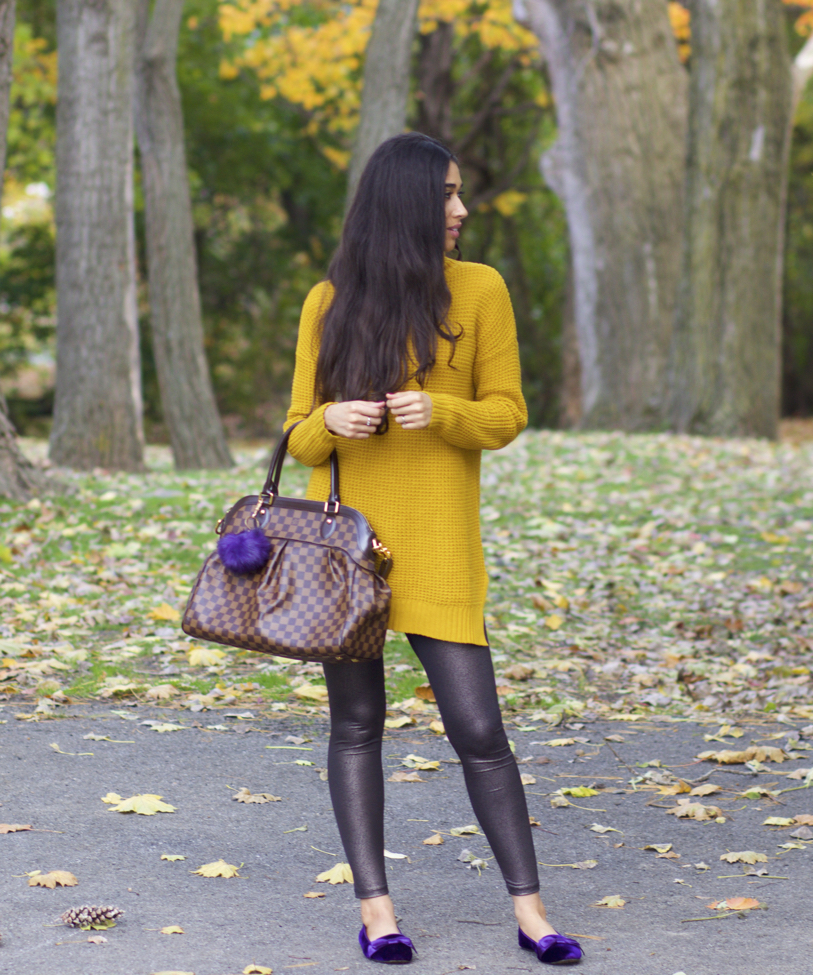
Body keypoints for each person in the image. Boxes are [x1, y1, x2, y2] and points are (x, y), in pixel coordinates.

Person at [284, 133, 582, 967]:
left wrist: (440, 412)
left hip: (443, 549)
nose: (459, 210)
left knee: (479, 728)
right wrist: (328, 423)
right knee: (356, 724)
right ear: (404, 206)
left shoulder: (480, 290)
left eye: (459, 195)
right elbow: (294, 434)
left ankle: (530, 912)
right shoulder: (327, 302)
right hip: (350, 557)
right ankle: (377, 912)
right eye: (446, 196)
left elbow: (508, 413)